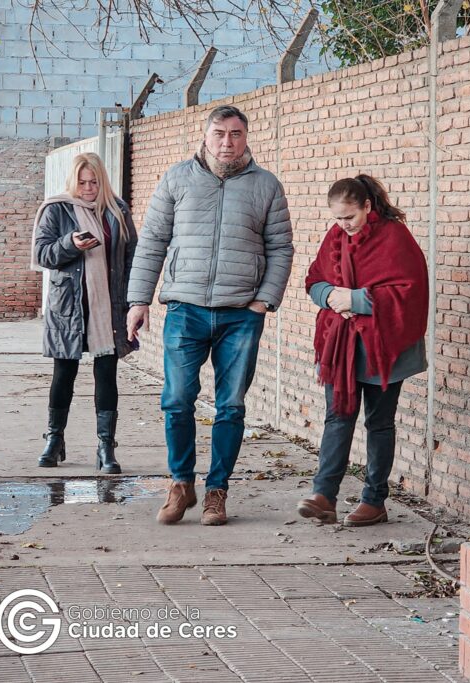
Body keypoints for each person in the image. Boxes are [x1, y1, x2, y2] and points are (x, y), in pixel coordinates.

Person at [126, 105, 293, 526]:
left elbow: (281, 248)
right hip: (186, 308)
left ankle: (217, 491)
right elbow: (152, 243)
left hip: (241, 314)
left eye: (235, 134)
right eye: (219, 133)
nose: (226, 142)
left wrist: (264, 302)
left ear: (246, 137)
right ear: (205, 135)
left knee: (230, 406)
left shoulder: (266, 186)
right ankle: (181, 484)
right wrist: (138, 300)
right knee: (177, 400)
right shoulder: (176, 179)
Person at [297, 175, 428, 527]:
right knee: (338, 415)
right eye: (338, 218)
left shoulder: (394, 237)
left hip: (385, 346)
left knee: (379, 423)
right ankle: (324, 495)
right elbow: (314, 280)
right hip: (342, 345)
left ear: (367, 207)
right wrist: (329, 297)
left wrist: (354, 298)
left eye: (350, 217)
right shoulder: (336, 236)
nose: (344, 225)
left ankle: (374, 500)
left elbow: (409, 291)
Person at [32, 153, 138, 474]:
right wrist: (70, 244)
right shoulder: (57, 209)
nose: (88, 188)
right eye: (82, 182)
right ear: (72, 181)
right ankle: (55, 439)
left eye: (94, 181)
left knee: (106, 373)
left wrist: (134, 301)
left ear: (102, 180)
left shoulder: (118, 211)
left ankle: (106, 446)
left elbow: (132, 257)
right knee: (64, 373)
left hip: (109, 306)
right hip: (69, 306)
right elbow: (42, 254)